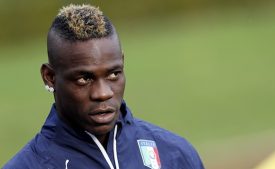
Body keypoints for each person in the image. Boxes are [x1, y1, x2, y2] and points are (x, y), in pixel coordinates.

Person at [3, 4, 205, 169]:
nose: (103, 93)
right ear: (50, 77)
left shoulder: (175, 154)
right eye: (84, 79)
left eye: (113, 74)